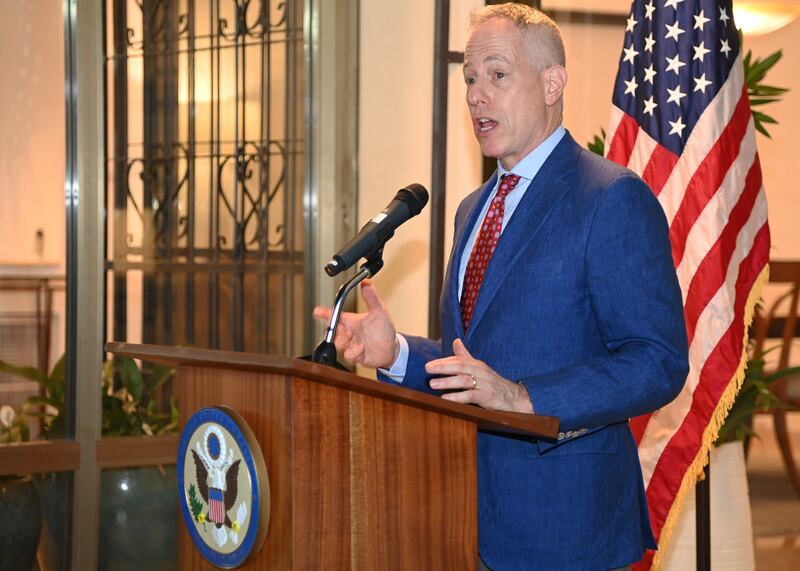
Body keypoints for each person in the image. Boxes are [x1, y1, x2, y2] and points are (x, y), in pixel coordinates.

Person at [314, 4, 689, 570]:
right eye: (468, 78)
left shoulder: (610, 198)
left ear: (552, 82)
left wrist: (526, 398)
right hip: (464, 520)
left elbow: (657, 360)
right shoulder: (473, 209)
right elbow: (476, 370)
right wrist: (396, 354)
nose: (475, 95)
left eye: (497, 74)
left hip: (566, 531)